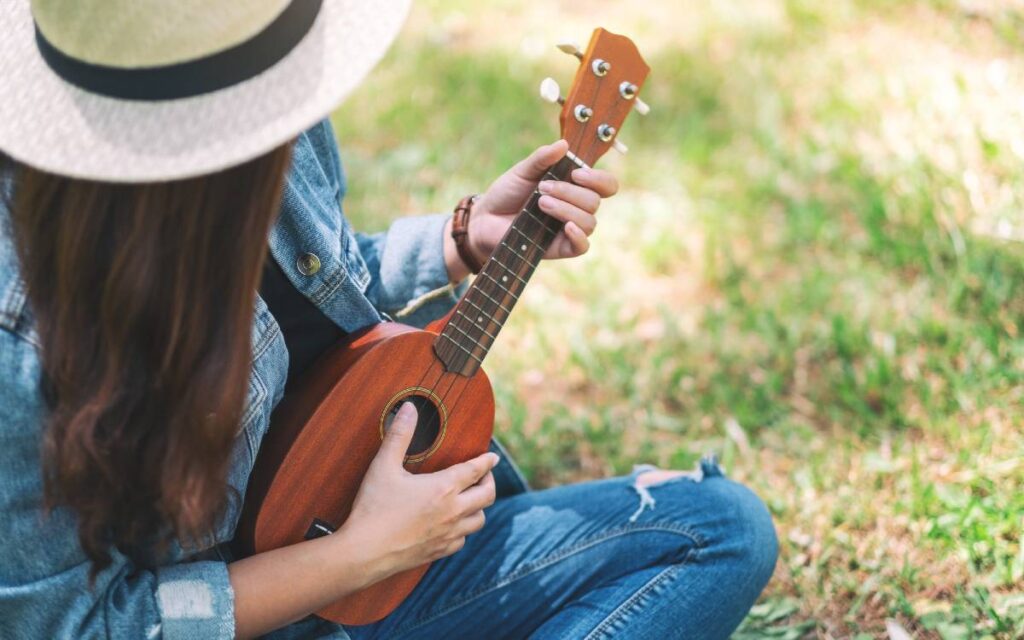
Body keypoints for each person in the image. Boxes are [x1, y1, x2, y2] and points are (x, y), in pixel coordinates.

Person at [0, 1, 778, 638]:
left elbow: (318, 294)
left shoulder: (269, 91)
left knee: (723, 530)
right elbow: (71, 628)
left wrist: (463, 239)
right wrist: (357, 556)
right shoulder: (21, 332)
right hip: (276, 605)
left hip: (396, 566)